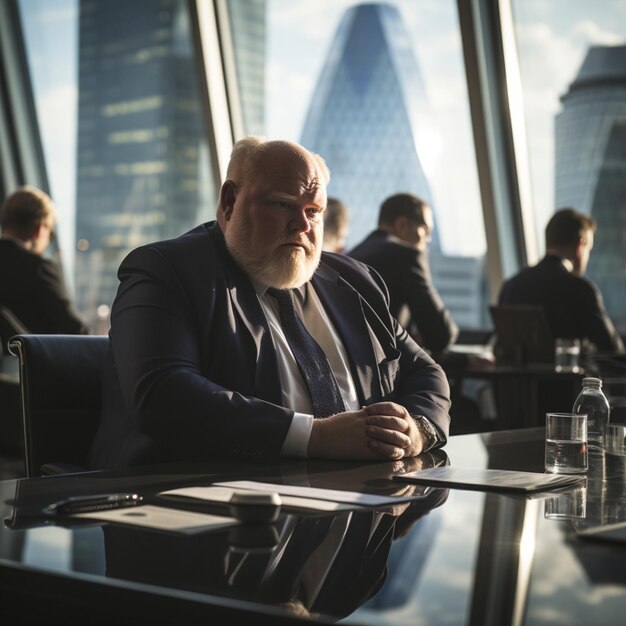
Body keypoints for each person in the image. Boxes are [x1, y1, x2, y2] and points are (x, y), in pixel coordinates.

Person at [88, 138, 451, 469]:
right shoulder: (167, 271)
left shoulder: (357, 281)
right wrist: (316, 437)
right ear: (229, 202)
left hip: (365, 505)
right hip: (208, 506)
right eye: (282, 204)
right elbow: (164, 394)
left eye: (314, 211)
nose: (302, 226)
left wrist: (416, 429)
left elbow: (426, 371)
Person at [498, 208, 624, 354]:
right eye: (589, 249)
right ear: (580, 246)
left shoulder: (511, 286)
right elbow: (613, 350)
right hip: (569, 377)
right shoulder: (581, 290)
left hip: (518, 377)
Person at [348, 193, 458, 359]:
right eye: (426, 231)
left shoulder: (351, 255)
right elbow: (441, 337)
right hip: (387, 371)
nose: (427, 240)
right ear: (402, 225)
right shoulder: (406, 256)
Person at [0, 186, 88, 348]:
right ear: (40, 229)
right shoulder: (37, 268)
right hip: (24, 372)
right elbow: (76, 333)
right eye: (51, 234)